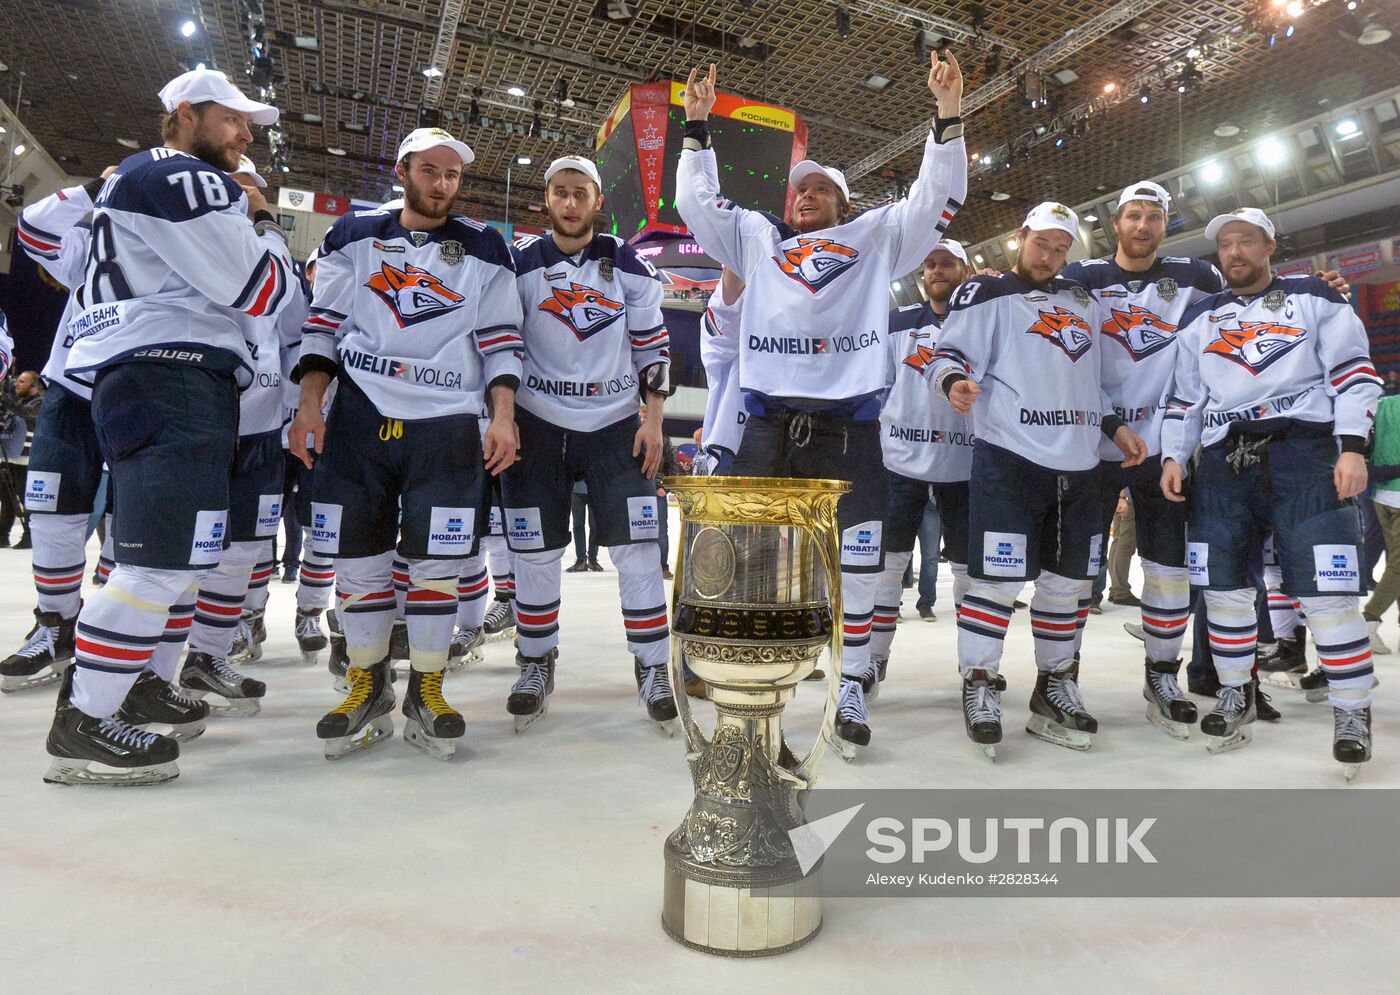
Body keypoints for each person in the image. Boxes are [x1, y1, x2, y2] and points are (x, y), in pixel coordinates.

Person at [676, 53, 967, 760]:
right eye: (799, 190)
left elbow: (933, 200)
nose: (806, 196)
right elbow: (694, 205)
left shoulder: (874, 238)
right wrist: (695, 127)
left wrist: (948, 118)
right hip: (767, 426)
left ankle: (853, 680)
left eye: (820, 191)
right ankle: (748, 682)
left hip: (850, 429)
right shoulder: (759, 238)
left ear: (843, 205)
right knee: (749, 559)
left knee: (860, 564)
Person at [42, 67, 295, 785]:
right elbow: (263, 289)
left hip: (159, 375)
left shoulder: (141, 181)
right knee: (158, 564)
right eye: (234, 120)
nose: (247, 136)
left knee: (172, 558)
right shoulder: (182, 176)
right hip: (170, 374)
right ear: (186, 114)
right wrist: (265, 224)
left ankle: (139, 684)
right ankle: (85, 718)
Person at [291, 127, 522, 761]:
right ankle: (366, 681)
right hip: (360, 418)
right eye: (430, 170)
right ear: (403, 170)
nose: (442, 183)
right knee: (358, 557)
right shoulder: (353, 236)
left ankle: (429, 686)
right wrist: (309, 406)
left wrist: (503, 417)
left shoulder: (485, 247)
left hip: (449, 422)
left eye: (452, 174)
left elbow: (502, 339)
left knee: (437, 563)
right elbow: (323, 327)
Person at [1161, 207, 1381, 776]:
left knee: (1327, 593)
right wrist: (1172, 456)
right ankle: (1236, 692)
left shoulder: (1315, 296)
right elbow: (1185, 398)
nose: (1234, 252)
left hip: (1305, 457)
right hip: (1223, 462)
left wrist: (1352, 445)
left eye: (1246, 242)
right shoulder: (1200, 318)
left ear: (1269, 247)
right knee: (1225, 590)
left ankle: (1352, 712)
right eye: (1226, 244)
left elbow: (1354, 372)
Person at [932, 201, 1147, 757]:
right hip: (1010, 460)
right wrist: (954, 382)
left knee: (1065, 585)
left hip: (1078, 467)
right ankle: (978, 680)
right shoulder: (986, 294)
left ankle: (1055, 684)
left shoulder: (1083, 301)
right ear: (1020, 237)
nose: (1049, 256)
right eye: (1041, 243)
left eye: (1060, 248)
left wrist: (1115, 427)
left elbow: (1091, 380)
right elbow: (946, 353)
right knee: (997, 583)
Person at [503, 153, 674, 734]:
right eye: (560, 192)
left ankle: (652, 666)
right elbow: (501, 345)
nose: (570, 202)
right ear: (546, 200)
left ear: (598, 201)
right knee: (534, 550)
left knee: (640, 550)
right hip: (537, 424)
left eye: (581, 192)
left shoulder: (630, 265)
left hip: (614, 426)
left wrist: (652, 421)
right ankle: (534, 658)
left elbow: (654, 348)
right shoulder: (519, 265)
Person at [174, 156, 307, 716]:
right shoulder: (187, 239)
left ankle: (206, 655)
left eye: (251, 188)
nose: (244, 196)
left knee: (246, 548)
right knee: (172, 550)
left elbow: (297, 330)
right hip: (194, 415)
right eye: (233, 187)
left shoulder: (273, 252)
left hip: (261, 428)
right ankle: (139, 670)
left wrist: (298, 413)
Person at [1, 170, 109, 689]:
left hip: (147, 389)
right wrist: (95, 188)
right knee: (50, 514)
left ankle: (110, 636)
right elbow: (35, 228)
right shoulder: (95, 241)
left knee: (133, 528)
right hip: (71, 388)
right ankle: (56, 626)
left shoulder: (200, 243)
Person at [868, 240, 975, 699]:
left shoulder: (981, 321)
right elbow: (878, 386)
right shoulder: (897, 323)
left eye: (946, 264)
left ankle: (975, 665)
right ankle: (872, 660)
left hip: (966, 464)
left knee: (972, 571)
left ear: (965, 270)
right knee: (888, 566)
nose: (936, 271)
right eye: (930, 265)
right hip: (900, 462)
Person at [1361, 395, 1400, 651]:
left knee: (1396, 563)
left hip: (1381, 494)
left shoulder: (1384, 404)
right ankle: (1369, 619)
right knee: (1398, 566)